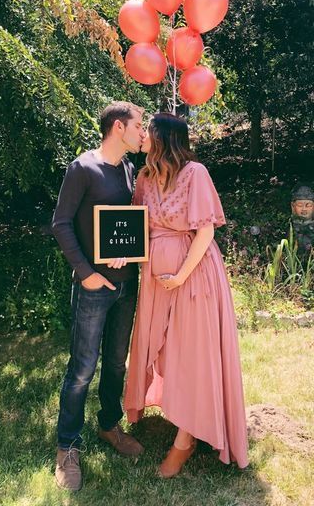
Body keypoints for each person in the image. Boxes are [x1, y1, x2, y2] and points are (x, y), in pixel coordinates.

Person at [124, 112, 249, 477]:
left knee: (191, 351)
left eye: (147, 130)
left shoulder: (196, 173)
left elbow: (206, 233)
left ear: (163, 137)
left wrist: (179, 275)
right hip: (154, 279)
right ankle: (178, 409)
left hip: (193, 276)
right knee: (159, 345)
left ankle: (186, 439)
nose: (142, 135)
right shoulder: (145, 177)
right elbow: (132, 225)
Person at [51, 101, 146, 491]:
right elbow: (60, 223)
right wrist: (85, 273)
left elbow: (126, 226)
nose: (144, 133)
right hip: (93, 288)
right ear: (119, 127)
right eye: (139, 126)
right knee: (82, 368)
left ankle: (109, 425)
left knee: (117, 365)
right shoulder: (82, 168)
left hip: (127, 286)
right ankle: (67, 447)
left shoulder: (128, 169)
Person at [290, 183, 314, 260]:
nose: (304, 209)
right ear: (293, 206)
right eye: (300, 205)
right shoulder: (289, 226)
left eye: (308, 205)